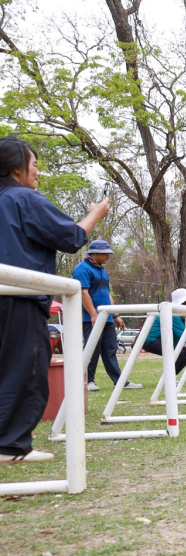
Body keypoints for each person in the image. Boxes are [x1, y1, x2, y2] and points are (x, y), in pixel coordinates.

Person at [0, 135, 106, 463]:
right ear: (17, 168)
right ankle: (11, 444)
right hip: (20, 297)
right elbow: (71, 236)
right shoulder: (22, 198)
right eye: (34, 165)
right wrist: (96, 214)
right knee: (26, 368)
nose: (38, 173)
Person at [73, 239, 141, 391]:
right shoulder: (82, 269)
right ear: (95, 252)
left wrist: (115, 315)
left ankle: (120, 381)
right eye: (105, 254)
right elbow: (83, 293)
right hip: (89, 318)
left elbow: (107, 294)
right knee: (92, 349)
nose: (108, 257)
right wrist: (93, 314)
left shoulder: (102, 270)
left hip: (106, 317)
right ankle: (88, 381)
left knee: (110, 349)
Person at [144, 288, 186, 374]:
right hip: (150, 341)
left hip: (160, 340)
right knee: (179, 353)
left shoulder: (182, 315)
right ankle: (168, 378)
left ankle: (170, 378)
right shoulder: (174, 315)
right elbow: (184, 335)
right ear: (182, 301)